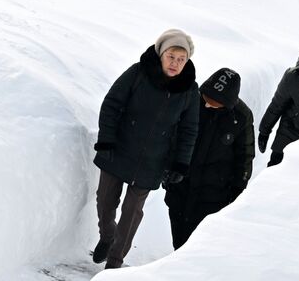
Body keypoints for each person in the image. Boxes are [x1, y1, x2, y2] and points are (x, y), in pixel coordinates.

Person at [92, 29, 200, 269]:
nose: (175, 63)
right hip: (118, 149)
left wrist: (180, 163)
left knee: (132, 211)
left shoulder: (190, 90)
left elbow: (189, 130)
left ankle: (115, 261)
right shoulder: (138, 73)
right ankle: (107, 237)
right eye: (171, 56)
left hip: (153, 160)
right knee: (105, 201)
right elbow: (111, 104)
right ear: (161, 53)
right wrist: (107, 140)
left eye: (181, 60)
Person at [164, 68, 255, 249]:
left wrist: (238, 188)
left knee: (197, 242)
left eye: (213, 104)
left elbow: (245, 155)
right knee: (179, 234)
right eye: (206, 100)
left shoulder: (241, 117)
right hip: (180, 183)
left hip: (214, 193)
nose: (207, 105)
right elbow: (171, 137)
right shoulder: (191, 101)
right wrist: (167, 169)